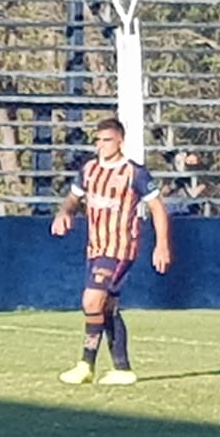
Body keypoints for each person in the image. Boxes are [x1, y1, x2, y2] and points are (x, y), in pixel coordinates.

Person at [51, 118, 173, 386]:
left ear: (120, 141)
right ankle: (122, 368)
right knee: (106, 308)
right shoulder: (89, 170)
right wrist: (65, 212)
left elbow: (157, 208)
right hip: (95, 248)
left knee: (91, 300)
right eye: (98, 140)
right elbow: (73, 197)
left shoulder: (134, 173)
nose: (102, 145)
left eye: (107, 140)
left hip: (120, 248)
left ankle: (86, 364)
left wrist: (162, 244)